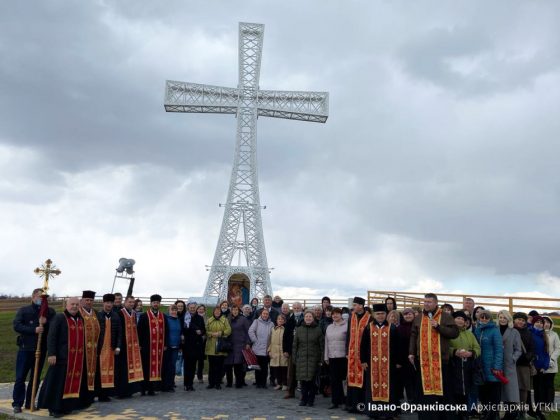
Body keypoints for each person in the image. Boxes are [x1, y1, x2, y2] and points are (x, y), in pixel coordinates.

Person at [408, 293, 459, 420]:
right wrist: (411, 352)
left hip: (441, 361)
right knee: (425, 392)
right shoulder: (419, 317)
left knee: (444, 392)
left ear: (436, 303)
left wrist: (438, 326)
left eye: (429, 302)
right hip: (423, 361)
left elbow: (454, 333)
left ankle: (444, 416)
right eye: (425, 301)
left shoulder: (445, 316)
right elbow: (414, 336)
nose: (426, 304)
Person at [38, 297, 88, 417]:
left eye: (76, 304)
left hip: (75, 358)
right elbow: (52, 336)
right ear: (66, 305)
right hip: (60, 357)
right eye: (72, 304)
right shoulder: (60, 318)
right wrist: (51, 353)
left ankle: (66, 406)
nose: (75, 306)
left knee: (70, 383)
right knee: (57, 384)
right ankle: (54, 408)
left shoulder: (80, 319)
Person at [12, 288, 56, 413]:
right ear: (33, 297)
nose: (40, 300)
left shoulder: (49, 312)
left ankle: (30, 402)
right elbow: (17, 325)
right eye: (38, 297)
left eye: (43, 298)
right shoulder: (24, 310)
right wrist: (33, 329)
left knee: (35, 378)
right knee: (20, 377)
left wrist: (46, 322)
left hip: (41, 349)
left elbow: (54, 328)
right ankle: (17, 403)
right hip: (26, 349)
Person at [360, 303, 398, 419]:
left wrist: (398, 361)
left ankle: (389, 412)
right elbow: (363, 345)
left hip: (389, 364)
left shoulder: (392, 327)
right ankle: (373, 412)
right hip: (372, 363)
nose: (380, 316)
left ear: (386, 314)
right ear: (374, 315)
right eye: (378, 314)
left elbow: (398, 346)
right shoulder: (368, 327)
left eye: (382, 313)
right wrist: (363, 360)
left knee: (390, 387)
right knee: (373, 386)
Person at [449, 310, 480, 420]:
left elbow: (477, 348)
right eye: (458, 318)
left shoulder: (469, 334)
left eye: (462, 319)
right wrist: (454, 351)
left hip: (468, 367)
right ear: (453, 320)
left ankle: (464, 415)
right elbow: (443, 348)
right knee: (453, 393)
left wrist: (471, 353)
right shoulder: (448, 332)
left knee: (465, 392)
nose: (460, 320)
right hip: (452, 366)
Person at [474, 310, 504, 420]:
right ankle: (486, 413)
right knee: (483, 393)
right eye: (482, 317)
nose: (484, 319)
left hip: (492, 367)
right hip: (480, 367)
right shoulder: (477, 330)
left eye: (486, 317)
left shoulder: (495, 331)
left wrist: (497, 367)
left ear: (490, 319)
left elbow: (499, 350)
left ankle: (493, 414)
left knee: (494, 393)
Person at [346, 296, 371, 413]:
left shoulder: (369, 318)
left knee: (363, 381)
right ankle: (351, 405)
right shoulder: (352, 317)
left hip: (363, 355)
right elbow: (348, 336)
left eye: (355, 305)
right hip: (351, 354)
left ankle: (361, 406)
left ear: (361, 306)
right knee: (351, 378)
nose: (353, 307)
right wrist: (347, 350)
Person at [114, 295, 143, 399]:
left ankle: (130, 390)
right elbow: (118, 330)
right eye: (129, 302)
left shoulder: (134, 314)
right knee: (122, 370)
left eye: (132, 302)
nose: (131, 304)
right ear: (125, 302)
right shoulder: (120, 313)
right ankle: (121, 392)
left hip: (133, 346)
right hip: (123, 346)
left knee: (131, 368)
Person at [294, 310, 324, 407]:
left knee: (312, 381)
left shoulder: (318, 330)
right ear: (304, 317)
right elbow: (295, 345)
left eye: (310, 316)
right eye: (306, 316)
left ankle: (311, 399)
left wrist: (321, 359)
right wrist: (295, 358)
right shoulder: (299, 330)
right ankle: (304, 399)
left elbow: (322, 346)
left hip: (314, 359)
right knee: (303, 381)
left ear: (313, 318)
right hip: (301, 359)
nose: (308, 318)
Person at [137, 294, 166, 395]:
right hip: (147, 347)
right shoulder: (144, 316)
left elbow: (166, 332)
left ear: (159, 304)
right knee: (146, 367)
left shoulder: (163, 316)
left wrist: (165, 344)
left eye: (157, 303)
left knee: (156, 367)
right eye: (154, 302)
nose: (155, 304)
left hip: (159, 347)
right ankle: (143, 389)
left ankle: (152, 388)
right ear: (151, 303)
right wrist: (140, 344)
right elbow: (139, 331)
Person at [96, 293, 122, 402]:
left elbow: (120, 332)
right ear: (103, 303)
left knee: (110, 371)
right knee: (99, 372)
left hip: (111, 348)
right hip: (100, 349)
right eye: (107, 302)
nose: (109, 305)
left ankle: (106, 394)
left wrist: (118, 346)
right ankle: (98, 394)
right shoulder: (98, 315)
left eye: (111, 303)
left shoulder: (116, 316)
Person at [497, 310, 522, 420]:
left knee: (510, 390)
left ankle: (511, 413)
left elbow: (518, 349)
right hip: (496, 364)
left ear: (508, 319)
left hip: (509, 365)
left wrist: (513, 358)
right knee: (498, 390)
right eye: (500, 317)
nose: (502, 319)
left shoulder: (514, 332)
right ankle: (495, 413)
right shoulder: (494, 330)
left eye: (504, 317)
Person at [79, 290, 100, 406]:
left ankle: (89, 398)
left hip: (94, 350)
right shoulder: (78, 312)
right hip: (81, 351)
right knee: (82, 375)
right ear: (82, 301)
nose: (89, 302)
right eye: (87, 300)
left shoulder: (96, 313)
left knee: (92, 374)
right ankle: (81, 398)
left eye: (91, 300)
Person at [324, 307, 347, 409]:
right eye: (333, 314)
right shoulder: (329, 327)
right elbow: (326, 342)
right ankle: (335, 401)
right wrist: (326, 356)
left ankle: (345, 400)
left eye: (337, 314)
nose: (335, 316)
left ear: (341, 314)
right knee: (334, 380)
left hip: (343, 357)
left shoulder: (347, 326)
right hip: (332, 357)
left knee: (343, 380)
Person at [513, 312, 534, 418]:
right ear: (514, 320)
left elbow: (531, 348)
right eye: (518, 319)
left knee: (523, 389)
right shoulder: (510, 331)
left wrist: (527, 357)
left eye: (523, 320)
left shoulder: (528, 333)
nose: (520, 322)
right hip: (512, 364)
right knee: (512, 388)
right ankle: (513, 411)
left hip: (524, 365)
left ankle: (521, 411)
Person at [205, 306, 231, 389]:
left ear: (220, 312)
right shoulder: (209, 320)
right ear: (213, 312)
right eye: (216, 311)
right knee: (211, 367)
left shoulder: (225, 320)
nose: (217, 312)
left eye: (219, 311)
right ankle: (211, 383)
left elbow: (229, 330)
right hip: (211, 346)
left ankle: (218, 383)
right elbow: (205, 330)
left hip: (220, 346)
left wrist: (221, 333)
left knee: (219, 366)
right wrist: (211, 334)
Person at [224, 305, 251, 388]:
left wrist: (248, 343)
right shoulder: (227, 319)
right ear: (231, 311)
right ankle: (229, 383)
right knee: (228, 365)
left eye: (236, 310)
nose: (235, 311)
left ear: (239, 311)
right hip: (229, 345)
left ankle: (239, 383)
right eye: (233, 310)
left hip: (240, 345)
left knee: (238, 365)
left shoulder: (243, 319)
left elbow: (248, 332)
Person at [182, 301, 206, 391]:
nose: (192, 309)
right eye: (191, 307)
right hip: (187, 345)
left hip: (196, 345)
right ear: (188, 308)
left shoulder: (199, 318)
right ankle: (186, 384)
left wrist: (201, 332)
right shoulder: (185, 317)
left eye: (194, 307)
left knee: (193, 366)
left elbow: (203, 329)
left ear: (196, 308)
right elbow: (183, 329)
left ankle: (190, 384)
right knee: (187, 366)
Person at [530, 316, 550, 419]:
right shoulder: (530, 333)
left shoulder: (544, 336)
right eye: (537, 322)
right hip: (530, 366)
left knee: (539, 390)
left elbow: (547, 353)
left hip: (540, 367)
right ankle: (528, 410)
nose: (539, 324)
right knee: (527, 389)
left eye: (541, 322)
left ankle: (538, 410)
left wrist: (545, 366)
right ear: (533, 323)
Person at [249, 307, 274, 388]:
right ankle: (258, 382)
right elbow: (251, 331)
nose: (265, 315)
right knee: (257, 367)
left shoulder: (271, 324)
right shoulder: (256, 321)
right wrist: (255, 340)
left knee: (265, 368)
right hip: (257, 348)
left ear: (268, 315)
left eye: (267, 314)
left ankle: (263, 383)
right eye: (264, 313)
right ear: (261, 314)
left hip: (266, 349)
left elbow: (273, 335)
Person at [395, 308, 416, 404]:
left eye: (410, 314)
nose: (408, 316)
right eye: (406, 314)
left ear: (413, 315)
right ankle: (408, 401)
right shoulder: (399, 328)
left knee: (415, 381)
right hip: (403, 359)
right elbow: (397, 346)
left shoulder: (417, 326)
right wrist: (398, 361)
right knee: (405, 381)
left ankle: (415, 401)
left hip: (416, 358)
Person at [284, 301, 304, 399]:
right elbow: (285, 336)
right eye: (295, 308)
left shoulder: (305, 319)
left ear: (301, 308)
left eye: (298, 308)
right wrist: (285, 350)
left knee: (303, 372)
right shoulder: (289, 320)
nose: (296, 310)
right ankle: (290, 391)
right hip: (292, 350)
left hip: (303, 350)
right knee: (291, 372)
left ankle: (304, 393)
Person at [162, 304, 181, 392]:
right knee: (167, 366)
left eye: (175, 310)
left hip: (176, 346)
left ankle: (171, 383)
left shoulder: (178, 320)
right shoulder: (166, 320)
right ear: (168, 311)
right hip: (168, 346)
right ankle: (165, 385)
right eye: (172, 310)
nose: (174, 312)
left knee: (172, 366)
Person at [269, 314, 289, 390]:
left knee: (284, 369)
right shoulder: (273, 329)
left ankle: (285, 384)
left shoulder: (286, 329)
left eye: (282, 319)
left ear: (284, 321)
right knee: (276, 369)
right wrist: (269, 350)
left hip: (283, 352)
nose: (280, 320)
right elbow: (270, 340)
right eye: (279, 319)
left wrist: (287, 351)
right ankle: (279, 383)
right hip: (275, 352)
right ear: (276, 320)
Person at [543, 316, 559, 405]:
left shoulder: (554, 335)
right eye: (544, 322)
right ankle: (541, 404)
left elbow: (558, 348)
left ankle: (549, 404)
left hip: (551, 364)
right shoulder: (539, 334)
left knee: (549, 385)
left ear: (551, 324)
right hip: (541, 364)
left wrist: (552, 359)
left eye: (548, 322)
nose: (546, 324)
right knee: (541, 385)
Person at [195, 304, 207, 383]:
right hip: (195, 341)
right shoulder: (194, 317)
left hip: (204, 340)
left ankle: (200, 376)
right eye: (199, 309)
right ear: (197, 310)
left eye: (202, 309)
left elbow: (207, 328)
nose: (201, 310)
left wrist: (204, 335)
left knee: (201, 360)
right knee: (193, 359)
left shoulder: (207, 318)